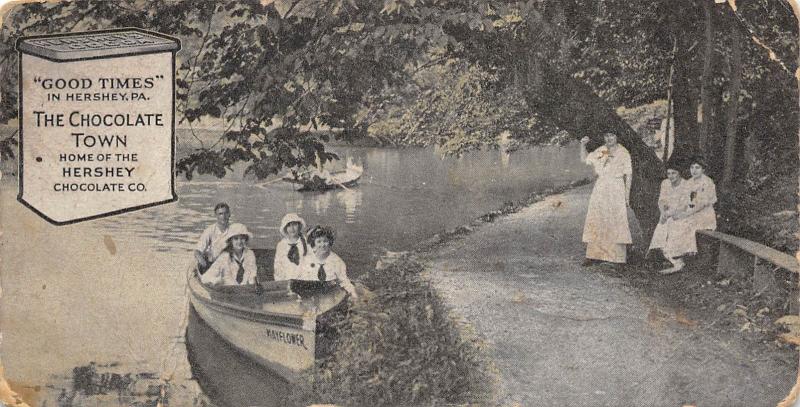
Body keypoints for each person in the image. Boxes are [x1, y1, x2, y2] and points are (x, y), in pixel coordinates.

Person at [580, 133, 633, 266]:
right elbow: (585, 160)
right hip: (602, 186)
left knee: (615, 219)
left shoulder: (623, 152)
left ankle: (617, 257)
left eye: (612, 136)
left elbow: (629, 174)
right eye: (606, 136)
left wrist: (627, 195)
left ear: (617, 137)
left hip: (616, 187)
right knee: (597, 217)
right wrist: (582, 145)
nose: (609, 139)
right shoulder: (603, 150)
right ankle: (593, 255)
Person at [647, 163, 693, 274]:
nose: (671, 176)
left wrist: (670, 214)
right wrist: (663, 213)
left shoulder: (686, 185)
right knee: (661, 226)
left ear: (679, 173)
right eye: (668, 173)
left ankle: (676, 260)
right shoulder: (665, 183)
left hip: (682, 214)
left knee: (673, 225)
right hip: (667, 213)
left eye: (674, 173)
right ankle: (665, 256)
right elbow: (662, 200)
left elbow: (685, 205)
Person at [297, 226, 358, 299]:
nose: (322, 245)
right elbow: (300, 278)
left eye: (325, 241)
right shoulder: (307, 259)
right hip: (310, 293)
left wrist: (353, 293)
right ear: (314, 243)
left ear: (329, 242)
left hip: (329, 293)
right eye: (319, 242)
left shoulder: (337, 261)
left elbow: (344, 280)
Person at [680, 157, 718, 255]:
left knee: (688, 222)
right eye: (692, 167)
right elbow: (685, 200)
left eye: (697, 168)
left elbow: (703, 203)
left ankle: (690, 252)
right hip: (692, 211)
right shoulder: (689, 182)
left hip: (705, 214)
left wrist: (689, 213)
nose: (694, 170)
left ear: (703, 169)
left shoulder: (707, 182)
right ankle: (676, 253)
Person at [194, 202, 231, 272]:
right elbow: (197, 252)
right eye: (220, 214)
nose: (223, 216)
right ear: (216, 215)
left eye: (225, 213)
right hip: (213, 265)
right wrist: (204, 265)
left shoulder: (235, 230)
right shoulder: (209, 231)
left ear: (229, 214)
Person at [273, 213, 308, 281]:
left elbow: (310, 264)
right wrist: (282, 281)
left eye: (294, 225)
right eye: (289, 225)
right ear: (285, 228)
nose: (292, 228)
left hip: (303, 280)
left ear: (299, 226)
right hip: (286, 279)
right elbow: (278, 267)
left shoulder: (306, 243)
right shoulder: (281, 245)